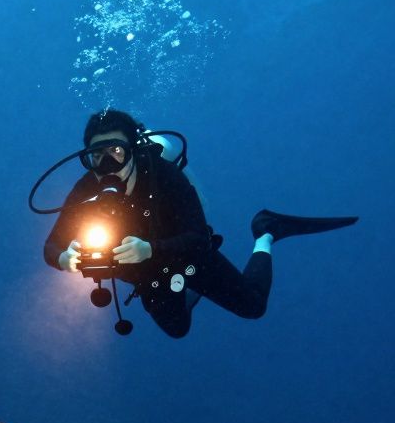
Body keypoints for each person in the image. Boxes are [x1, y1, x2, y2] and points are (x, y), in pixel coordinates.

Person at [43, 109, 356, 338]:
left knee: (253, 306)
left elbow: (197, 238)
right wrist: (64, 258)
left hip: (187, 257)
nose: (107, 165)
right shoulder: (86, 189)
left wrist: (149, 249)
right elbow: (51, 246)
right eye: (96, 156)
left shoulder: (164, 177)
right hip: (148, 275)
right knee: (177, 329)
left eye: (116, 151)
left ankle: (267, 231)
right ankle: (186, 288)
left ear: (134, 151)